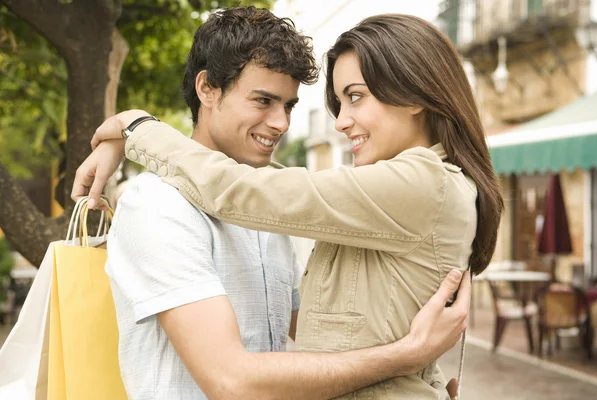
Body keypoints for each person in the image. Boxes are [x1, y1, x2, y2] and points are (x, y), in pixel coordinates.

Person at [73, 10, 480, 400]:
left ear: (415, 96)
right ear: (207, 89)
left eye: (288, 106)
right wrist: (410, 361)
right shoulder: (159, 204)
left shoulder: (277, 203)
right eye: (263, 101)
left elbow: (248, 193)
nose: (282, 123)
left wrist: (135, 128)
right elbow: (240, 377)